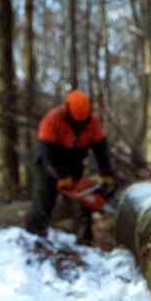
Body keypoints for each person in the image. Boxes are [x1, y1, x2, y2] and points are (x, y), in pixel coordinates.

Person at [25, 90, 115, 245]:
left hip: (74, 162)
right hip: (49, 162)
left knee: (82, 201)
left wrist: (106, 172)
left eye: (83, 122)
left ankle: (85, 240)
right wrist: (60, 176)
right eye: (76, 122)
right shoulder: (52, 120)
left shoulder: (92, 123)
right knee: (44, 198)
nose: (79, 125)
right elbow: (46, 155)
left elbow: (101, 150)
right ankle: (35, 238)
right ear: (67, 110)